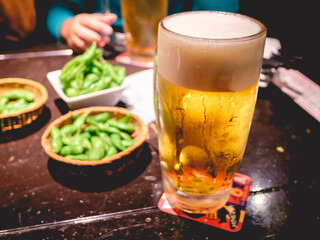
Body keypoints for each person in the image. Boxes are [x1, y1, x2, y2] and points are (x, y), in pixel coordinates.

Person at [46, 0, 239, 53]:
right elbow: (58, 9)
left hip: (178, 54)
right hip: (109, 51)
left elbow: (224, 19)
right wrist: (68, 26)